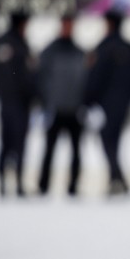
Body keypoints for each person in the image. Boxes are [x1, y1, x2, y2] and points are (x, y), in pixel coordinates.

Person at [85, 10, 130, 195]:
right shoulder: (128, 48)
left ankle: (117, 179)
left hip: (106, 105)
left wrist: (89, 99)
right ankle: (117, 179)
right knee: (114, 142)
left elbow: (96, 77)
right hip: (122, 104)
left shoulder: (104, 48)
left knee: (108, 141)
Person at [36, 13, 88, 196]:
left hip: (75, 109)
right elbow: (41, 79)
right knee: (49, 150)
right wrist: (44, 104)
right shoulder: (50, 52)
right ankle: (43, 186)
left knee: (76, 151)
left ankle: (73, 186)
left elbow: (86, 80)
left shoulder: (79, 52)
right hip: (55, 108)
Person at [0, 10, 35, 197]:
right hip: (18, 102)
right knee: (17, 143)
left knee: (6, 142)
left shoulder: (1, 43)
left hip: (7, 101)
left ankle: (4, 182)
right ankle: (16, 183)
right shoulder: (18, 45)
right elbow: (25, 76)